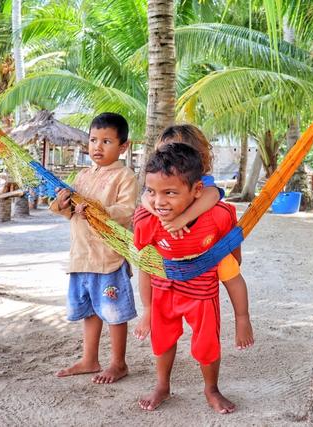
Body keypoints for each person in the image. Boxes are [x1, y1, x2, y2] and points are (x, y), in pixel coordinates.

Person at [133, 143, 243, 413]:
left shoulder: (216, 216)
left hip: (201, 290)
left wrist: (243, 318)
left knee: (207, 344)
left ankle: (211, 388)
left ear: (196, 191)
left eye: (170, 193)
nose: (159, 202)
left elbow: (233, 247)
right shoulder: (148, 219)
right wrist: (147, 309)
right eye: (152, 192)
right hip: (164, 286)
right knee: (163, 340)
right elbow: (145, 263)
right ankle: (162, 385)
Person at [137, 124, 254, 350]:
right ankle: (148, 311)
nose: (171, 159)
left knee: (231, 270)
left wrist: (181, 219)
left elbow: (211, 196)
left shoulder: (203, 183)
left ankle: (242, 317)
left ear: (197, 156)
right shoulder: (158, 186)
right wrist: (162, 217)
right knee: (146, 263)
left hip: (206, 247)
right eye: (165, 152)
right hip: (168, 249)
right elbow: (144, 197)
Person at [50, 112, 137, 384]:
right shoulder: (82, 176)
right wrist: (62, 205)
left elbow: (127, 211)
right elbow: (70, 213)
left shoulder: (124, 176)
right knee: (89, 311)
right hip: (81, 256)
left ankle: (118, 363)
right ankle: (90, 359)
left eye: (107, 141)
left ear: (123, 146)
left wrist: (99, 211)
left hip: (108, 257)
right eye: (93, 140)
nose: (97, 147)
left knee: (114, 312)